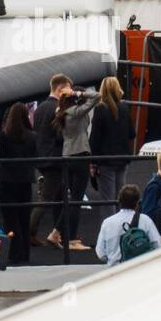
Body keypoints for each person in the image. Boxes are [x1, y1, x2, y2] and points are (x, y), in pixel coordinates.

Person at [49, 86, 98, 251]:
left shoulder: (61, 112)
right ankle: (70, 240)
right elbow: (97, 96)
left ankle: (57, 232)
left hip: (67, 156)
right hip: (80, 155)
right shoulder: (76, 112)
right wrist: (79, 93)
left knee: (71, 199)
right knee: (76, 199)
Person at [30, 73, 73, 246]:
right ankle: (30, 232)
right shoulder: (58, 109)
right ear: (60, 88)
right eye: (69, 89)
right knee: (47, 198)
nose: (71, 93)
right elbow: (60, 136)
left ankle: (57, 233)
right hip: (55, 159)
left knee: (56, 197)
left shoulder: (39, 109)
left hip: (42, 157)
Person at [89, 76, 135, 225]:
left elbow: (95, 138)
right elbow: (131, 133)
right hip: (122, 158)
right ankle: (123, 228)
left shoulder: (101, 109)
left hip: (106, 160)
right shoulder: (124, 106)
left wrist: (93, 162)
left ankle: (109, 230)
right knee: (121, 197)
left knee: (107, 200)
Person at [0, 102, 36, 264]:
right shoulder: (32, 136)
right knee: (24, 219)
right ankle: (25, 254)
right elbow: (35, 156)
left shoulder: (4, 136)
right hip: (25, 181)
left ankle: (15, 254)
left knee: (10, 220)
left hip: (7, 182)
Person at [94, 184, 160, 265]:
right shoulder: (146, 220)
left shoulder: (107, 222)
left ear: (119, 201)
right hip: (140, 268)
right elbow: (158, 246)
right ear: (137, 202)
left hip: (116, 271)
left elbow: (101, 254)